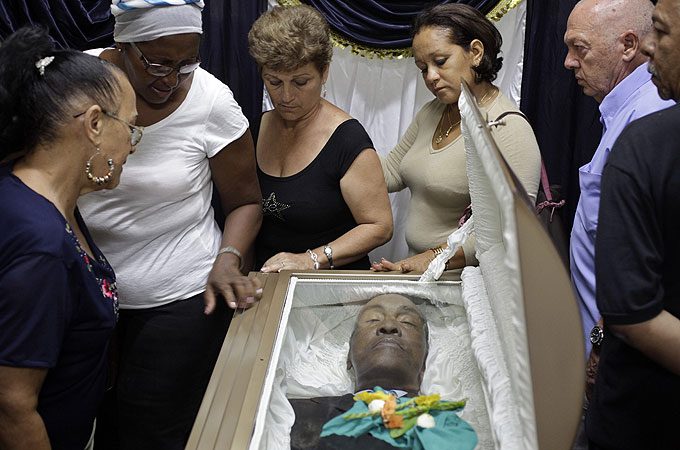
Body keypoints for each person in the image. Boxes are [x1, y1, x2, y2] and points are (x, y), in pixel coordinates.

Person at [77, 1, 263, 448]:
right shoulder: (75, 83)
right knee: (96, 421)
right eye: (158, 63)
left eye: (187, 63)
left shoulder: (211, 101)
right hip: (87, 294)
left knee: (153, 429)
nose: (172, 79)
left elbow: (245, 201)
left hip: (180, 295)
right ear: (123, 44)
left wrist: (228, 258)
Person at [0, 27, 138, 450]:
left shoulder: (37, 193)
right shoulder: (41, 246)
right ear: (95, 123)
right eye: (131, 129)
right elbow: (12, 405)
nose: (132, 147)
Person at [372, 3, 541, 273]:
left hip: (465, 282)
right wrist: (340, 133)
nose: (431, 77)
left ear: (475, 52)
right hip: (420, 274)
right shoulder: (432, 111)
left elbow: (511, 228)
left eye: (440, 62)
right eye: (423, 68)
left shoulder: (506, 126)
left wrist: (432, 259)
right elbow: (390, 173)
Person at [586, 0, 680, 447]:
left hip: (647, 415)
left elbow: (630, 313)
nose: (648, 47)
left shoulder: (646, 144)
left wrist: (598, 341)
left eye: (660, 31)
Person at [564, 0, 672, 363]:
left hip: (622, 356)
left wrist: (599, 343)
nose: (569, 62)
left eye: (579, 48)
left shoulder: (649, 116)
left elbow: (643, 266)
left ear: (628, 45)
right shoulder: (624, 110)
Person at [248, 5, 393, 272]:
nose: (286, 96)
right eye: (274, 82)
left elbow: (379, 226)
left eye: (300, 82)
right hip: (267, 281)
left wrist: (311, 259)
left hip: (330, 284)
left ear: (324, 71)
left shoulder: (347, 140)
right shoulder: (256, 128)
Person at [289, 294, 475, 450]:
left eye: (407, 322)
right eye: (374, 319)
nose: (389, 326)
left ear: (425, 361)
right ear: (348, 356)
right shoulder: (294, 414)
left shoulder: (450, 429)